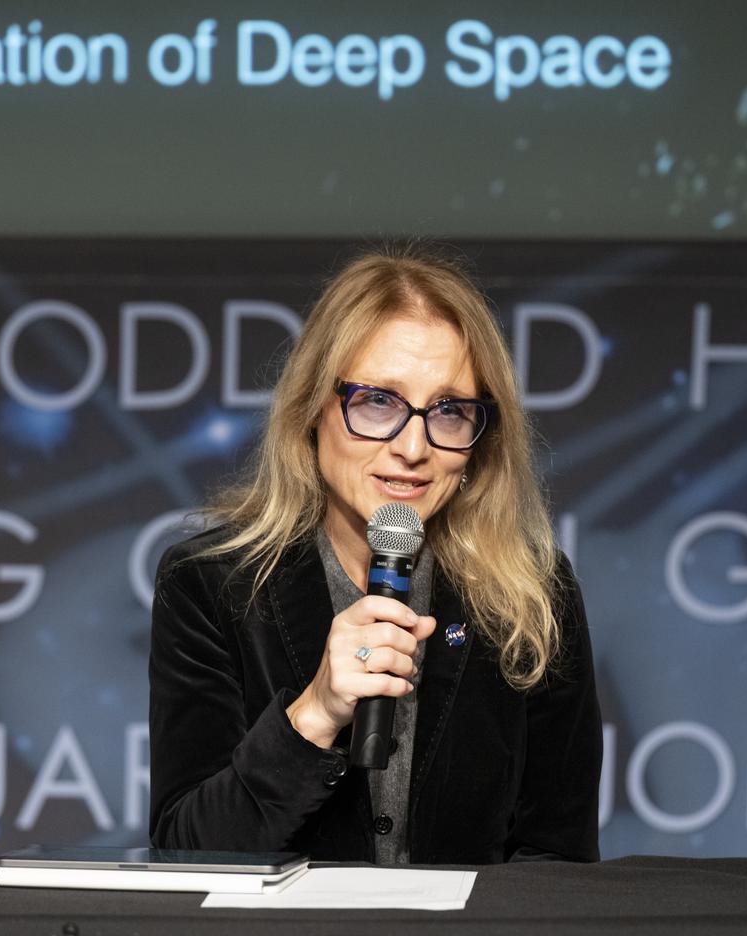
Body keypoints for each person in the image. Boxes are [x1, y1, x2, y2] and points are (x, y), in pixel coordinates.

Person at [149, 245, 602, 864]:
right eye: (378, 402)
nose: (413, 447)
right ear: (313, 410)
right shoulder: (211, 585)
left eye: (448, 411)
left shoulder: (532, 590)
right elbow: (185, 852)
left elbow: (559, 858)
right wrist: (316, 712)